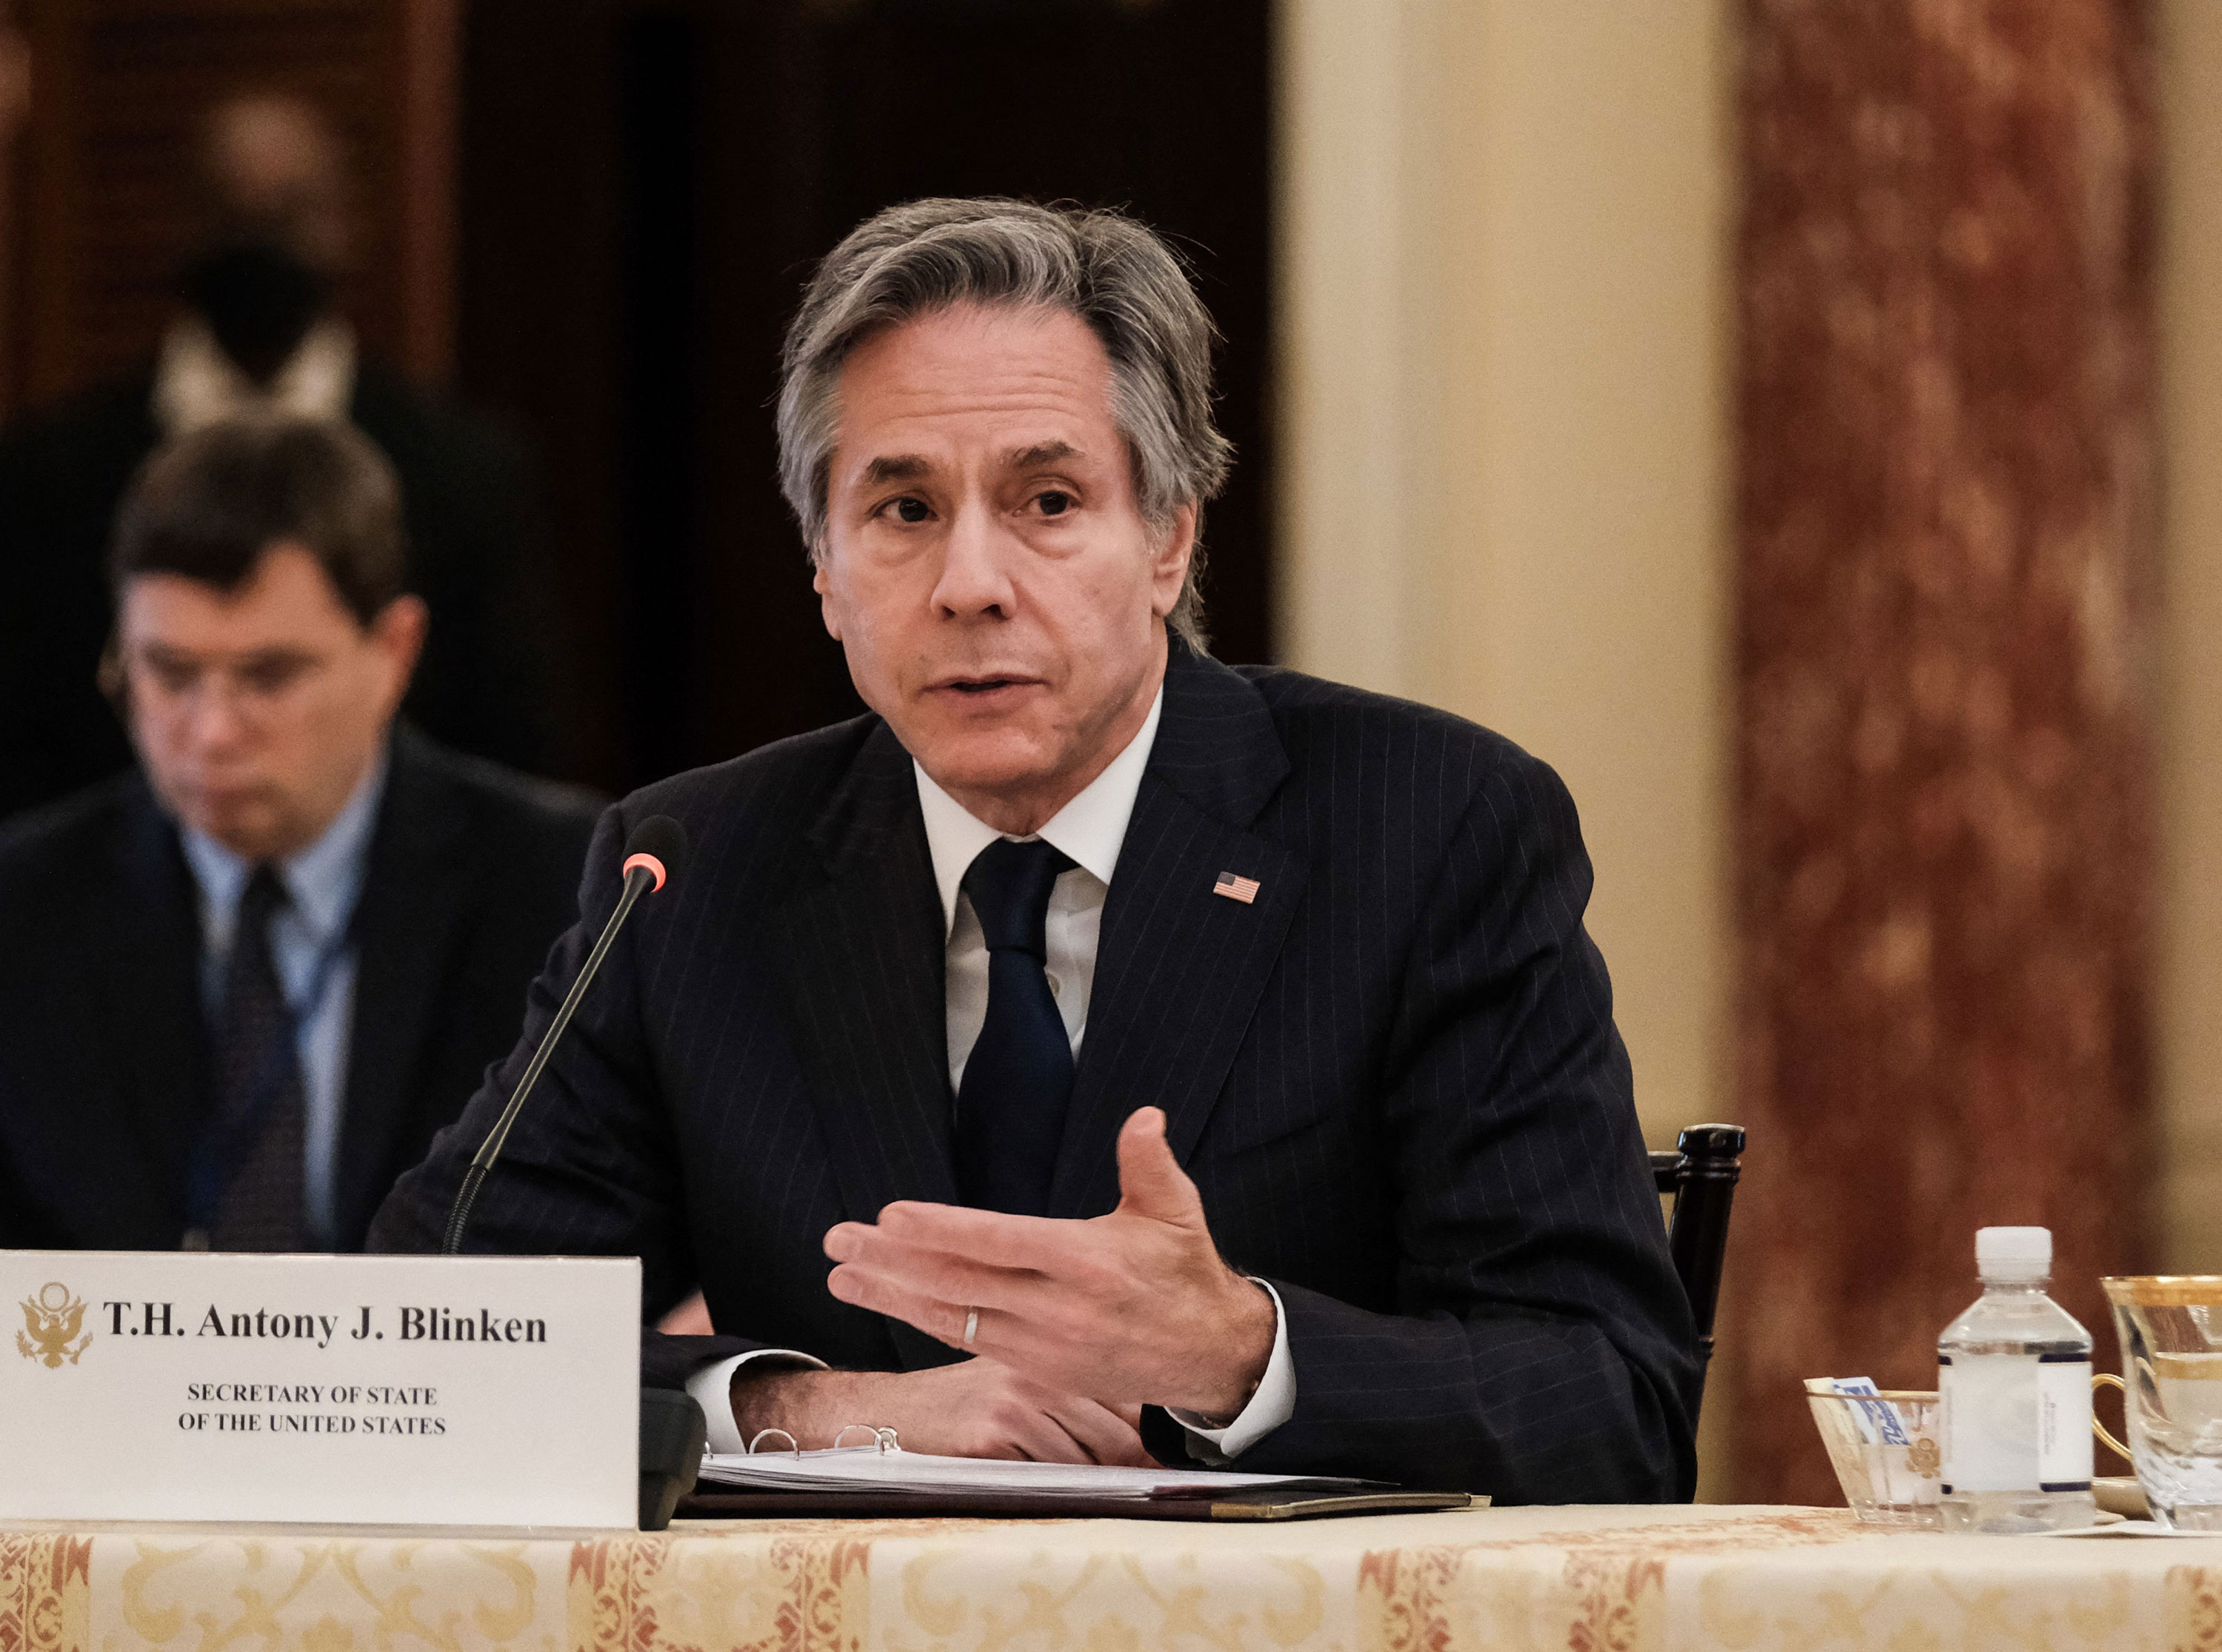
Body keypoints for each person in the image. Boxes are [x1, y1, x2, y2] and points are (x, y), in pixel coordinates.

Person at [373, 198, 1700, 1501]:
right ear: (823, 566)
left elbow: (1615, 1402)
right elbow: (428, 1350)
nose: (970, 583)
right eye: (901, 512)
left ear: (1171, 536)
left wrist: (1242, 1355)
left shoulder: (1430, 831)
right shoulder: (693, 869)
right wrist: (823, 1409)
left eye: (1048, 500)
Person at [0, 416, 598, 1252]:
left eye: (268, 676)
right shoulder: (25, 909)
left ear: (394, 650)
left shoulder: (568, 896)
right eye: (168, 673)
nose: (210, 732)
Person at [0, 93, 564, 823]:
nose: (218, 732)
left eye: (290, 212)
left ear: (349, 223)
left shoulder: (464, 472)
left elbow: (512, 742)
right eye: (228, 212)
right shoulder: (48, 472)